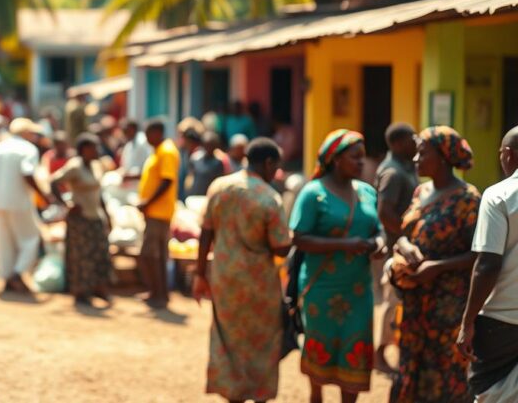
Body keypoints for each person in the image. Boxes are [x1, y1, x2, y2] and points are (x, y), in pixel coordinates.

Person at [193, 138, 292, 403]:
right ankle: (258, 394)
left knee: (228, 340)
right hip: (259, 284)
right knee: (262, 342)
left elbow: (205, 233)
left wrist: (200, 274)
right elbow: (281, 248)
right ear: (269, 163)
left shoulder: (220, 187)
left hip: (224, 279)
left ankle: (233, 394)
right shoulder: (269, 198)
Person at [291, 129, 384, 403]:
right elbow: (298, 238)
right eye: (354, 157)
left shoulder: (366, 192)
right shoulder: (313, 193)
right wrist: (345, 245)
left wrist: (379, 243)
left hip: (358, 290)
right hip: (322, 286)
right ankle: (316, 395)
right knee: (321, 347)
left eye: (362, 158)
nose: (361, 163)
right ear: (335, 159)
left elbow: (377, 229)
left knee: (354, 348)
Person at [389, 126, 479, 403]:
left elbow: (478, 255)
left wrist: (437, 267)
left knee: (445, 374)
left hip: (447, 307)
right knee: (411, 371)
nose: (415, 160)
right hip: (415, 303)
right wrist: (405, 247)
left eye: (422, 153)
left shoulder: (468, 199)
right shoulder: (420, 192)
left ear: (442, 157)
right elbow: (404, 233)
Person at [459, 126, 518, 402]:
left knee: (487, 392)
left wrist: (467, 322)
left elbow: (487, 265)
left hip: (500, 320)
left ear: (508, 155)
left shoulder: (499, 196)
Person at [0, 118, 53, 294]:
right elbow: (28, 173)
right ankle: (16, 274)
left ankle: (8, 277)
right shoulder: (28, 149)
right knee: (31, 238)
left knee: (4, 240)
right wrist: (43, 194)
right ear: (26, 133)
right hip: (20, 202)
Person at [373, 122, 419, 373]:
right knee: (391, 302)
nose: (416, 142)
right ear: (398, 143)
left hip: (405, 246)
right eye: (412, 138)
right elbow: (384, 212)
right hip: (396, 249)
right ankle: (379, 355)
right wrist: (404, 238)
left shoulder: (406, 166)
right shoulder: (393, 172)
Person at [51, 133, 114, 307]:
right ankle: (81, 292)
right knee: (82, 257)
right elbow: (54, 182)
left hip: (95, 217)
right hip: (81, 219)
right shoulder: (75, 167)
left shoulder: (96, 166)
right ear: (84, 150)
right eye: (93, 148)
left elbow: (98, 192)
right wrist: (66, 204)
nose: (97, 151)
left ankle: (98, 288)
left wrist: (106, 214)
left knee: (100, 253)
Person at [137, 119, 179, 309]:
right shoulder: (158, 152)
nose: (146, 138)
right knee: (158, 255)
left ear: (157, 132)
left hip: (159, 212)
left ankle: (158, 293)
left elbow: (167, 180)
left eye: (148, 134)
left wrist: (148, 202)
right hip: (155, 211)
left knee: (149, 254)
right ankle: (159, 293)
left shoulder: (167, 151)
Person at [187, 131, 227, 197]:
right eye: (207, 146)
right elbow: (190, 178)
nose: (209, 148)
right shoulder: (195, 158)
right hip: (195, 196)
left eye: (211, 146)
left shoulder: (218, 162)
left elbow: (219, 182)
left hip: (210, 196)